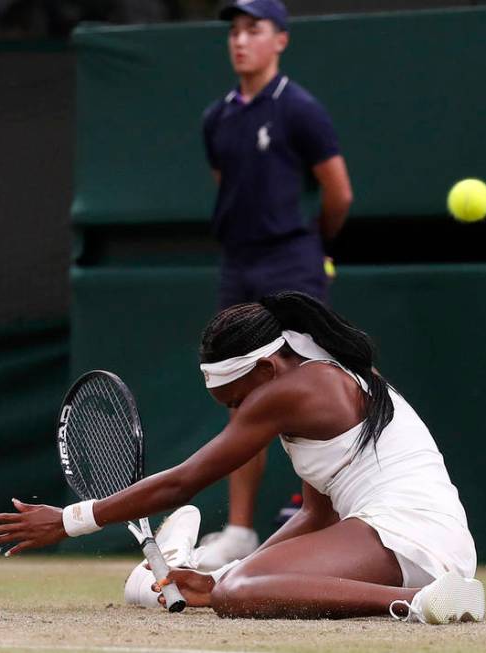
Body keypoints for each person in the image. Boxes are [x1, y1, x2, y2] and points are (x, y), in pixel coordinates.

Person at [0, 291, 484, 623]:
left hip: (408, 538)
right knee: (234, 584)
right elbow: (317, 513)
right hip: (424, 544)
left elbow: (183, 483)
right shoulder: (321, 378)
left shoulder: (301, 388)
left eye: (240, 400)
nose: (241, 414)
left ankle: (418, 604)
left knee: (234, 596)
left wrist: (69, 520)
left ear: (266, 368)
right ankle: (428, 595)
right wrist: (245, 569)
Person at [196, 0, 353, 567]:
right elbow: (228, 185)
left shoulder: (300, 110)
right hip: (238, 263)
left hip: (293, 262)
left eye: (253, 30)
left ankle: (320, 512)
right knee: (243, 391)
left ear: (280, 40)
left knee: (314, 383)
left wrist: (316, 246)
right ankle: (239, 530)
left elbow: (339, 192)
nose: (241, 41)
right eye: (235, 32)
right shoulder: (217, 118)